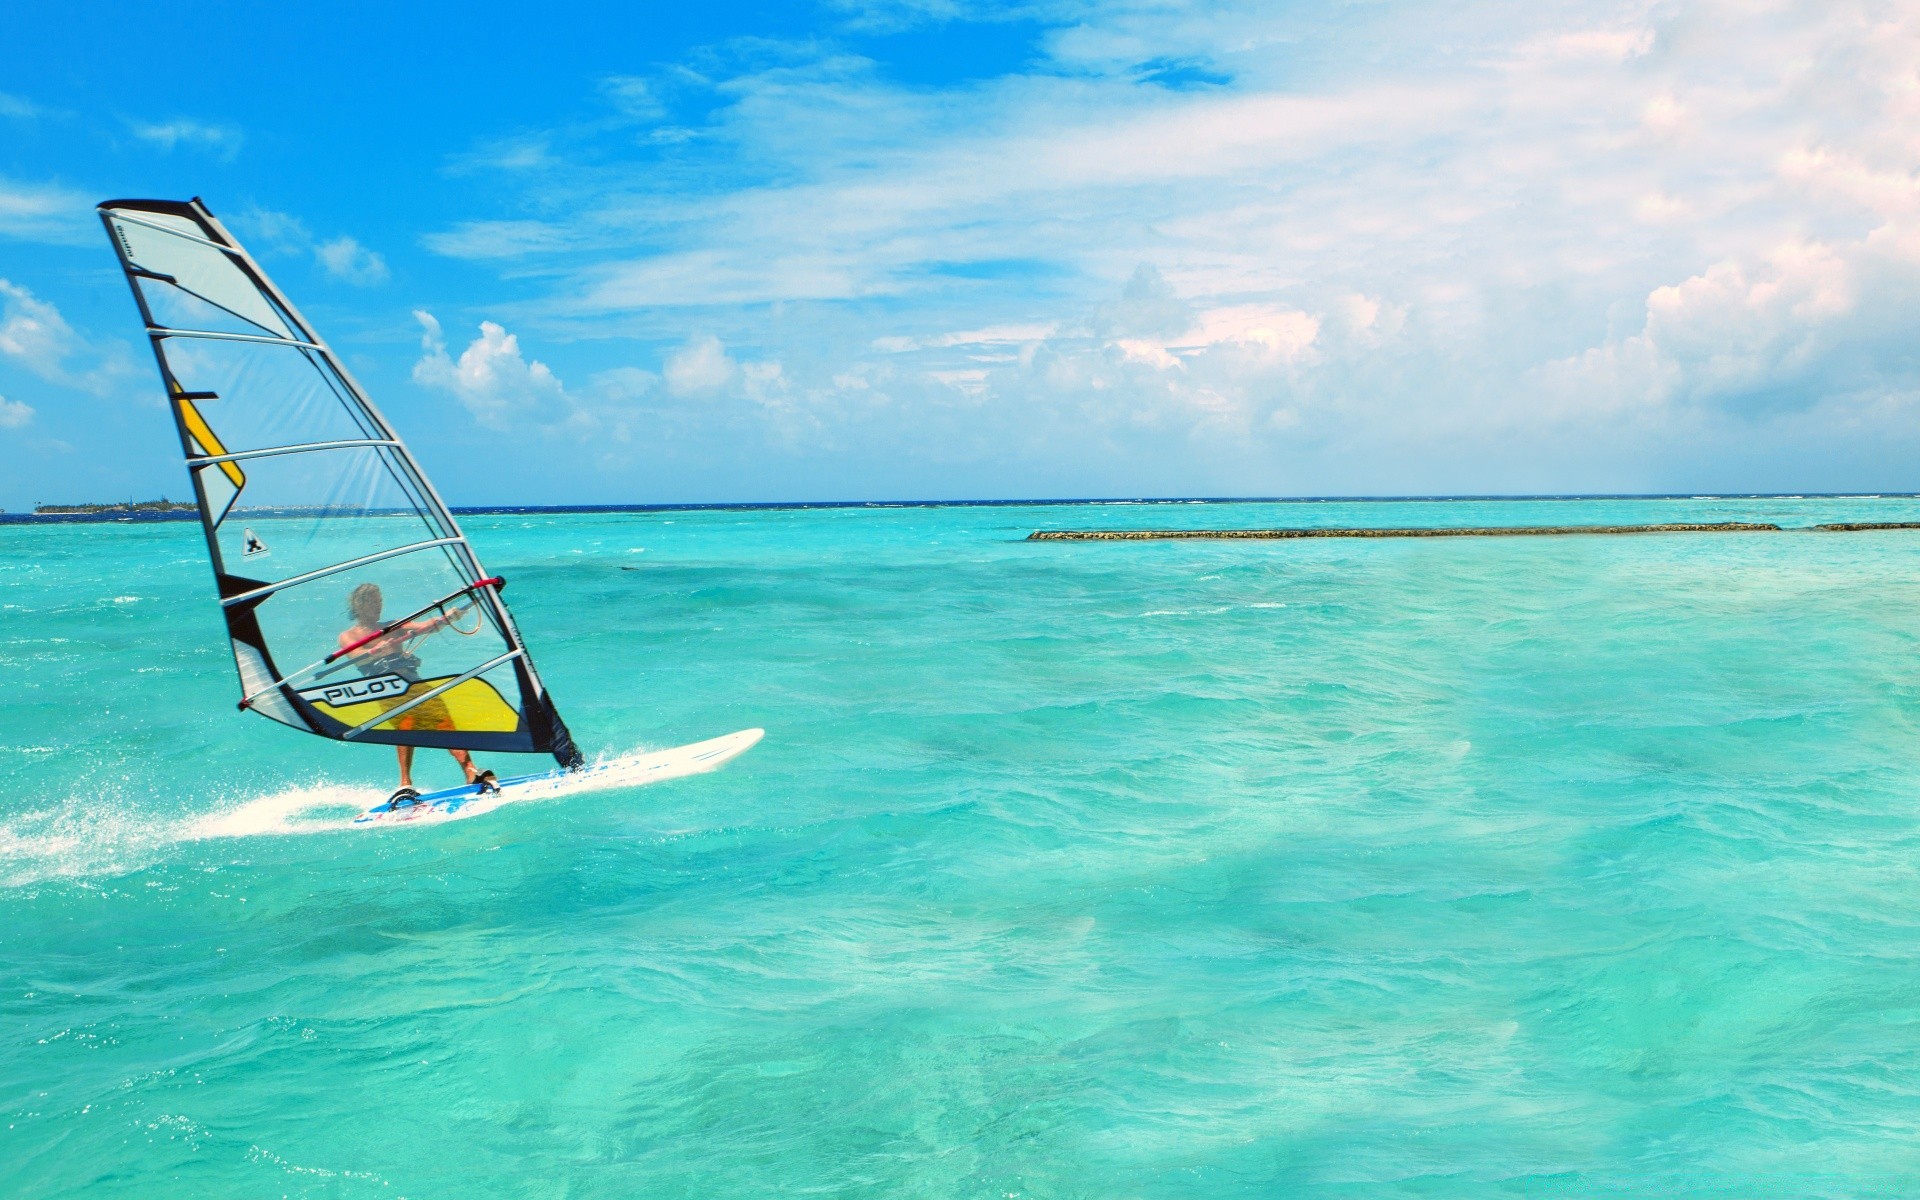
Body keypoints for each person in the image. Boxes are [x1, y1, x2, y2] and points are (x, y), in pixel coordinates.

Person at [340, 581, 495, 806]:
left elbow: (426, 626)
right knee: (406, 727)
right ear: (360, 605)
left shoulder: (393, 625)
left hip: (414, 682)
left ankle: (471, 771)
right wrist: (374, 650)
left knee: (445, 722)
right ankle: (405, 783)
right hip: (388, 687)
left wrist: (451, 615)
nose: (378, 606)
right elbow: (357, 654)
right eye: (374, 602)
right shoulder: (349, 635)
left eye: (380, 601)